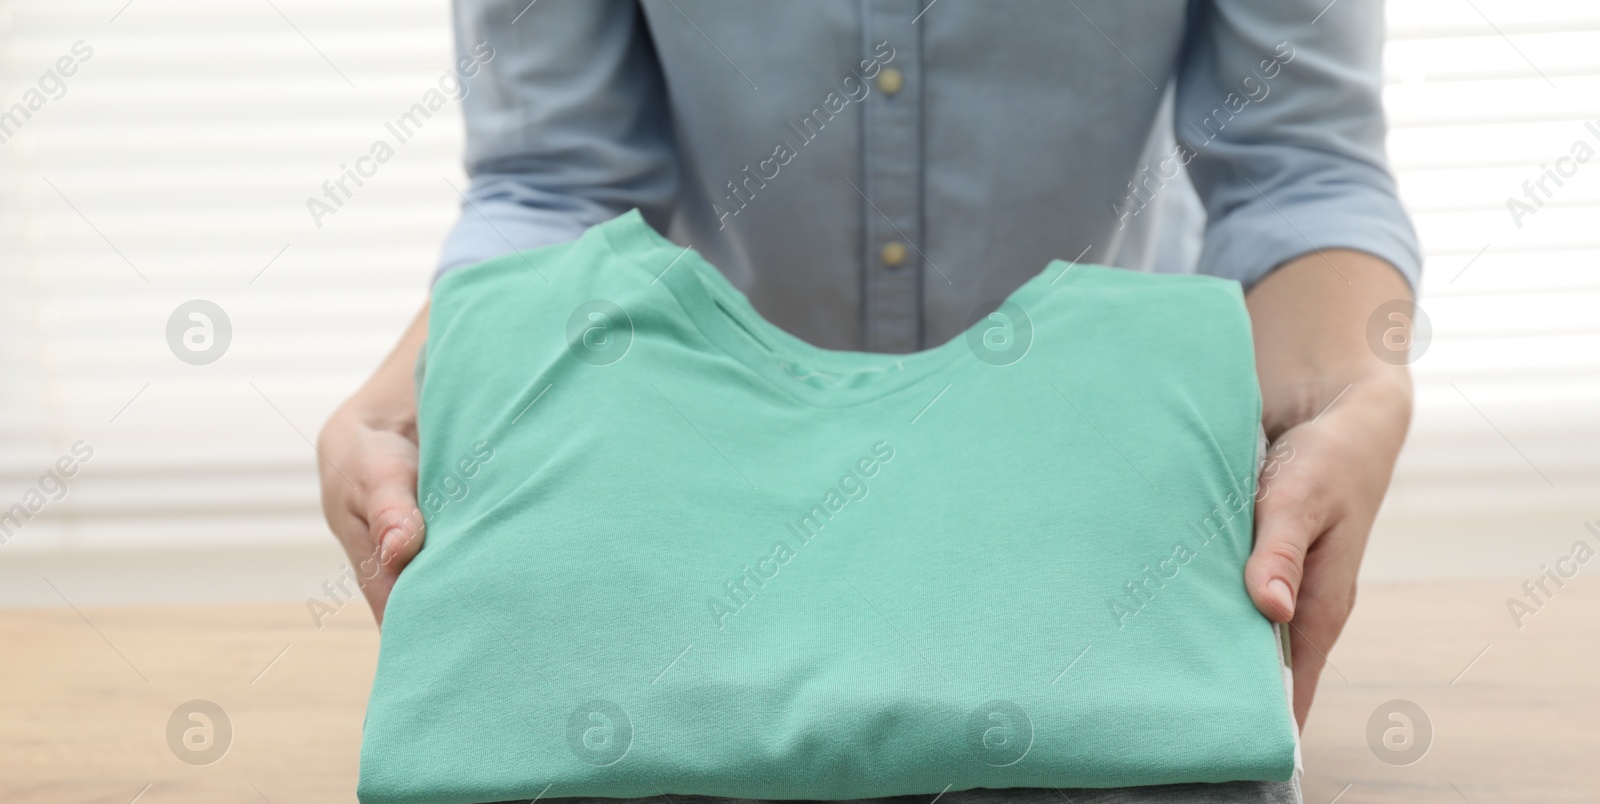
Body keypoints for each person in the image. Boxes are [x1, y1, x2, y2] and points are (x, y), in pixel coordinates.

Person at [318, 0, 1419, 728]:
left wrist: (1346, 391)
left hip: (1099, 508)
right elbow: (557, 184)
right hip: (705, 507)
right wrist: (440, 384)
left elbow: (1295, 168)